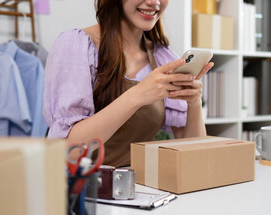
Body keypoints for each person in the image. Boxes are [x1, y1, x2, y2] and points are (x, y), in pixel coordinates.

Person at [43, 0, 214, 167]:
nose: (153, 2)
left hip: (137, 188)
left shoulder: (163, 57)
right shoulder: (76, 46)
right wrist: (137, 95)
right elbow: (68, 150)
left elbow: (194, 157)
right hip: (83, 188)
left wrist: (194, 103)